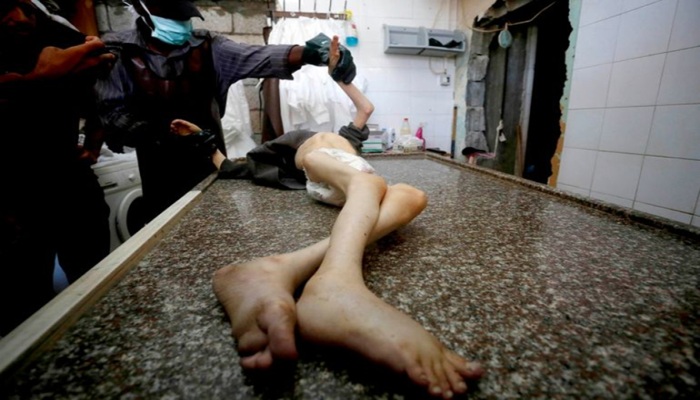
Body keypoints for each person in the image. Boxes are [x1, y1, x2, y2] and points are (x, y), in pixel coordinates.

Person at [180, 36, 484, 399]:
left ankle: (281, 268)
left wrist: (340, 75)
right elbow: (232, 168)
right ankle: (336, 281)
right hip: (323, 168)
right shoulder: (300, 146)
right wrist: (204, 141)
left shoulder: (347, 137)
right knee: (364, 181)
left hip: (352, 181)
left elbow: (365, 107)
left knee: (412, 196)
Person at [94, 0, 357, 225]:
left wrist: (313, 53)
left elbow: (260, 56)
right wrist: (163, 135)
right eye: (172, 18)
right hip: (160, 178)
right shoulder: (118, 52)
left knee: (221, 229)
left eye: (184, 18)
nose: (181, 25)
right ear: (143, 10)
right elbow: (112, 118)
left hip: (214, 170)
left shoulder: (208, 47)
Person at [0, 0, 115, 335]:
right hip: (11, 193)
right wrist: (38, 79)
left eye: (24, 8)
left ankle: (99, 342)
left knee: (95, 283)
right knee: (24, 305)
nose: (17, 18)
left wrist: (95, 132)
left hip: (68, 175)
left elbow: (99, 64)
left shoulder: (55, 29)